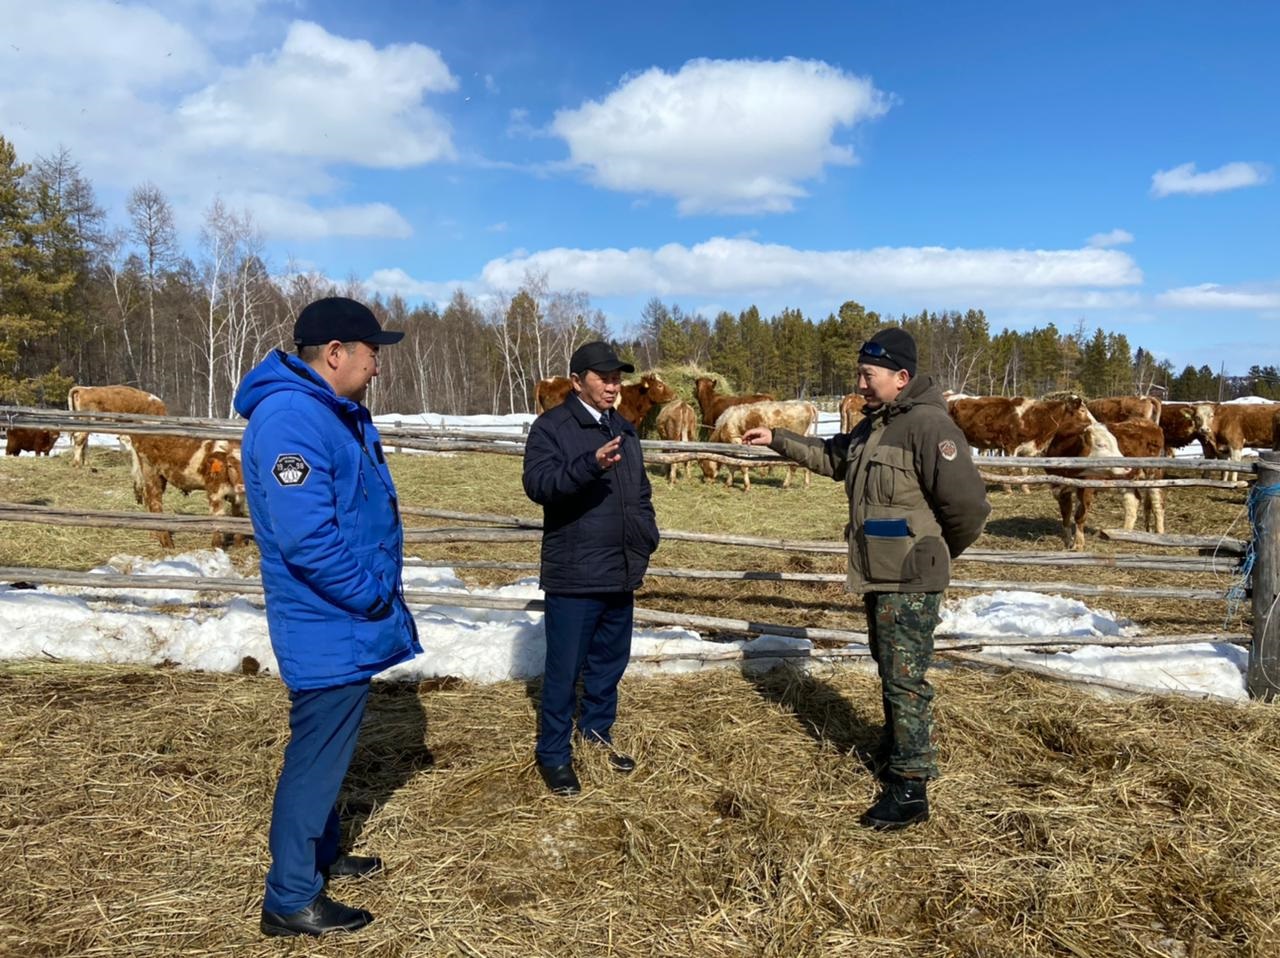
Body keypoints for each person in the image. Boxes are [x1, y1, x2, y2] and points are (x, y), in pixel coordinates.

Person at [742, 327, 989, 830]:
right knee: (889, 665)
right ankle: (898, 746)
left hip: (911, 577)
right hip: (881, 573)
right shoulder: (875, 424)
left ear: (901, 377)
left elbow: (968, 507)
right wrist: (779, 440)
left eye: (868, 374)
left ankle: (911, 786)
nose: (860, 382)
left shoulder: (928, 427)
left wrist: (936, 554)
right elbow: (834, 459)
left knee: (905, 679)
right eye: (860, 372)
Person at [234, 297, 422, 936]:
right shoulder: (292, 419)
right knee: (316, 758)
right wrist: (370, 595)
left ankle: (321, 856)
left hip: (338, 619)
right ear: (336, 353)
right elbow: (307, 538)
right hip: (328, 619)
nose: (378, 366)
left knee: (330, 753)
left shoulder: (325, 411)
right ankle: (290, 898)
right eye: (373, 352)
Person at [522, 341, 660, 795]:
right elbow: (539, 485)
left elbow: (640, 489)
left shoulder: (624, 426)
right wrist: (589, 465)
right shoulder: (553, 427)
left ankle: (597, 736)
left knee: (608, 663)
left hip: (620, 569)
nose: (613, 384)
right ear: (578, 380)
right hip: (575, 573)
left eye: (617, 377)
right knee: (564, 670)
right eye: (603, 377)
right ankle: (555, 755)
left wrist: (646, 534)